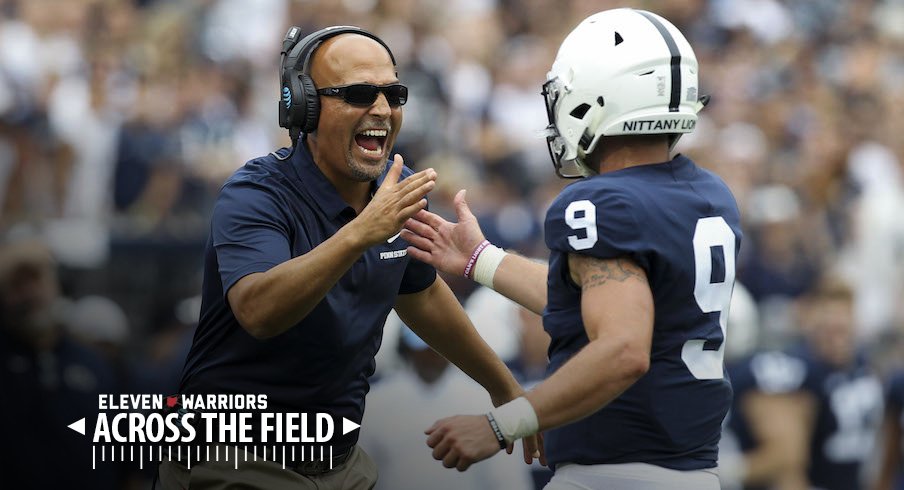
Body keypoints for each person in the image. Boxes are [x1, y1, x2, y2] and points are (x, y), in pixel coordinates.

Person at [160, 25, 537, 489]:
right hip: (238, 457)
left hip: (341, 462)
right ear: (304, 106)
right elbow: (258, 311)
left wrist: (504, 389)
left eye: (393, 93)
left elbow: (420, 293)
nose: (381, 109)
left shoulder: (391, 190)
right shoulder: (255, 193)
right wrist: (362, 231)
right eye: (359, 93)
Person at [402, 8, 741, 489]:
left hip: (613, 475)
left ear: (600, 96)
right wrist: (483, 260)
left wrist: (503, 424)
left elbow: (624, 349)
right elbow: (603, 299)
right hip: (694, 474)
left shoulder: (601, 201)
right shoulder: (708, 194)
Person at [359, 326, 532, 490]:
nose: (432, 352)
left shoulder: (486, 398)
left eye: (438, 345)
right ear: (407, 348)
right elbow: (362, 475)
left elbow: (509, 479)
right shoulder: (375, 401)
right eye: (423, 345)